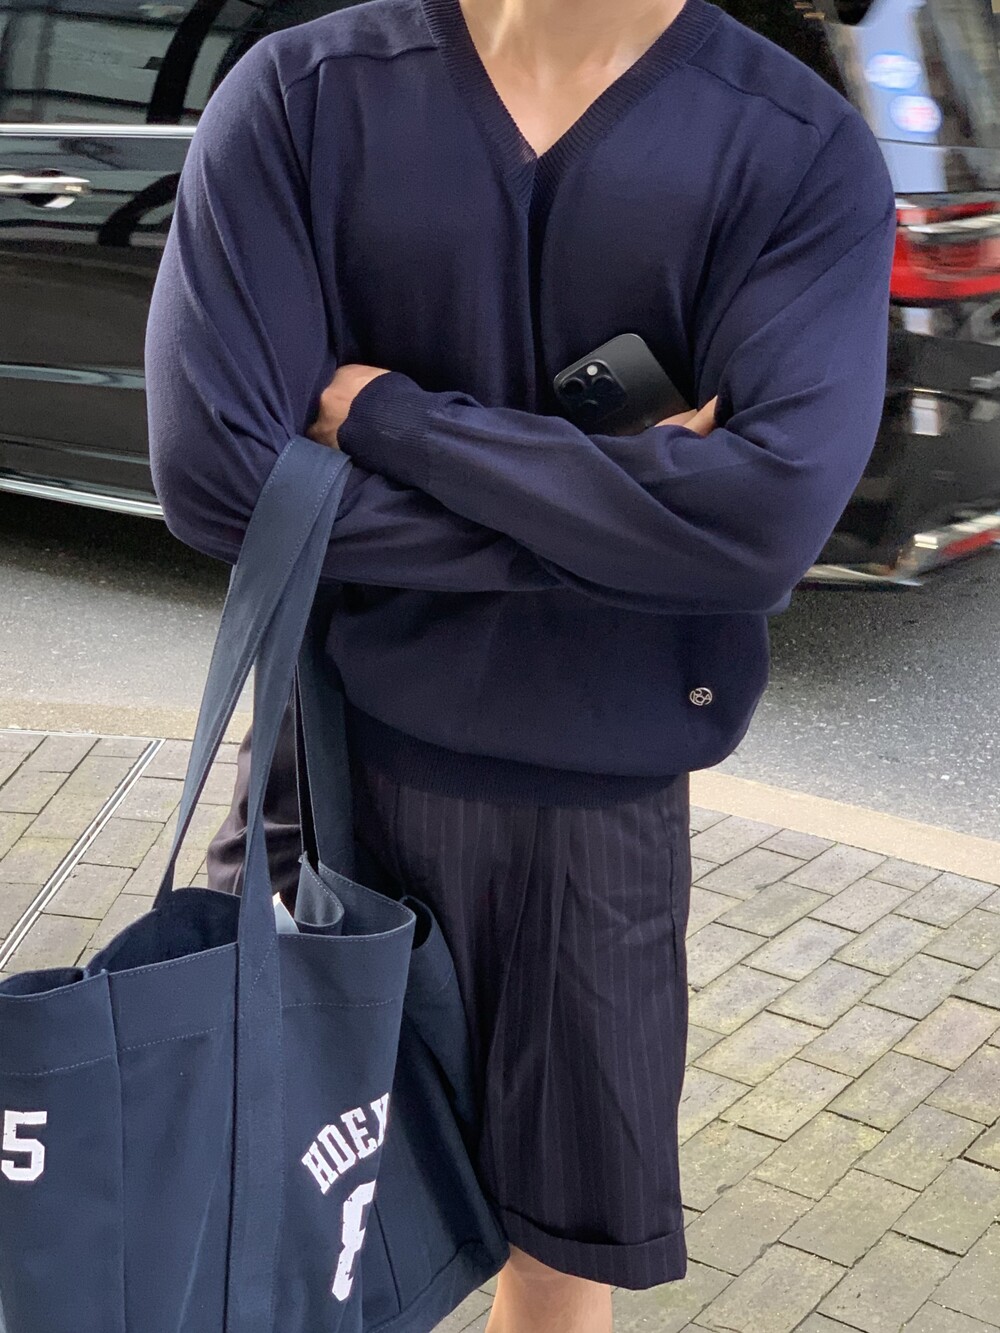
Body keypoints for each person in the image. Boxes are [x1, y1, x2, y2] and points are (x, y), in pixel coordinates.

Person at [144, 0, 897, 1328]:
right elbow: (217, 481)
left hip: (595, 817)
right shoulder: (302, 99)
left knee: (556, 1262)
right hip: (330, 770)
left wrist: (390, 418)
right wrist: (627, 519)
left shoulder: (794, 147)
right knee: (271, 1217)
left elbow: (764, 521)